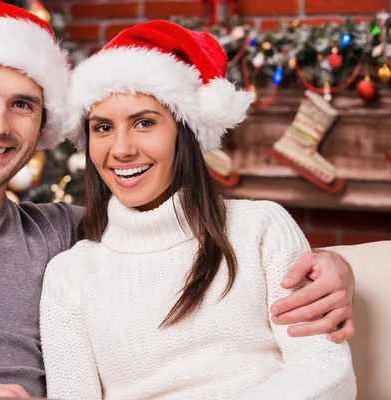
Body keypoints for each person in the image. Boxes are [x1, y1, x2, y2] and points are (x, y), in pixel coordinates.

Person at [0, 1, 354, 399]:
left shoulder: (69, 234)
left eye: (22, 105)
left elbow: (169, 234)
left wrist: (337, 266)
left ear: (44, 128)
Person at [40, 21, 357, 400]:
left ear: (184, 133)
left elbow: (326, 370)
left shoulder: (260, 227)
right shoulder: (70, 274)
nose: (121, 149)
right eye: (103, 127)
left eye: (144, 123)